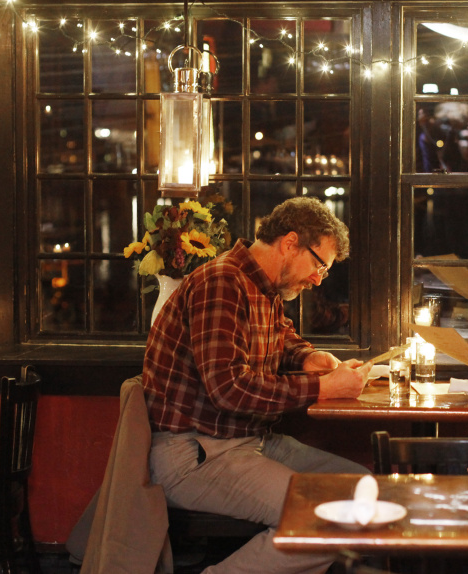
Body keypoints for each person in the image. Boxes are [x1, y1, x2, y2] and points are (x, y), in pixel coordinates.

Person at [142, 196, 371, 574]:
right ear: (289, 243)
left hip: (245, 441)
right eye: (319, 266)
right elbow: (229, 389)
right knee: (328, 517)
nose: (318, 279)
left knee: (361, 487)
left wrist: (309, 359)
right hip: (194, 453)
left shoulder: (263, 287)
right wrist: (325, 389)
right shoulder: (222, 282)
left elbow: (283, 338)